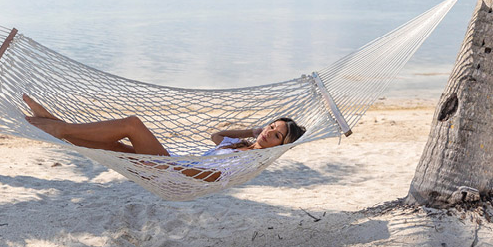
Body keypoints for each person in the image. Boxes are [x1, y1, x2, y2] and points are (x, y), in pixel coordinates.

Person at [21, 94, 306, 157]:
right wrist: (251, 131)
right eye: (272, 126)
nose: (270, 133)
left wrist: (182, 170)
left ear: (281, 145)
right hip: (176, 166)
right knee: (114, 147)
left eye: (277, 135)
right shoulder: (241, 144)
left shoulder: (252, 158)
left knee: (133, 125)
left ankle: (58, 127)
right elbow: (216, 134)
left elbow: (213, 177)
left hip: (179, 174)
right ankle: (55, 125)